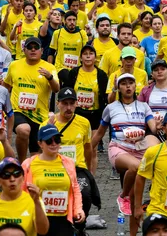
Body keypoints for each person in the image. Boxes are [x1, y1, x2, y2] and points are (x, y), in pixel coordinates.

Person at [91, 73, 159, 221]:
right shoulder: (110, 108)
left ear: (135, 86)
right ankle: (123, 196)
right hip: (118, 148)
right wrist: (87, 150)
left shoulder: (144, 106)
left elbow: (153, 127)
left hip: (139, 148)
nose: (127, 86)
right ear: (118, 88)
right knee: (136, 167)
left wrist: (158, 126)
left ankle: (147, 202)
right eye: (123, 84)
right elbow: (100, 133)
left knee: (155, 160)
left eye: (130, 83)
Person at [41, 87, 100, 235]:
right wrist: (50, 130)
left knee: (85, 192)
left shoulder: (84, 122)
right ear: (58, 104)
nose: (68, 107)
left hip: (77, 169)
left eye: (71, 103)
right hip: (54, 168)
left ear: (76, 104)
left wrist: (89, 171)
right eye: (65, 103)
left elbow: (88, 148)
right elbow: (43, 150)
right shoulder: (47, 124)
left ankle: (80, 226)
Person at [22, 124, 85, 236]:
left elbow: (75, 188)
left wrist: (78, 209)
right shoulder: (28, 164)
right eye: (48, 141)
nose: (54, 144)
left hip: (63, 219)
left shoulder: (68, 162)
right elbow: (21, 192)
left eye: (57, 139)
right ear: (40, 144)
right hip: (39, 218)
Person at [3, 37, 60, 162]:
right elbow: (6, 88)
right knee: (23, 130)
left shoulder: (49, 67)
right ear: (24, 50)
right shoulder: (15, 65)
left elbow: (56, 89)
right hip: (18, 110)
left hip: (39, 115)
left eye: (36, 48)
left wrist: (49, 77)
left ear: (42, 50)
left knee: (35, 157)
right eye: (29, 47)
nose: (33, 50)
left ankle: (30, 170)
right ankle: (22, 163)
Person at [67, 44, 108, 173]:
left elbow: (104, 96)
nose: (88, 56)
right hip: (78, 114)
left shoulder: (101, 75)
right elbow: (67, 91)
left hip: (95, 115)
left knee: (92, 148)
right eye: (85, 54)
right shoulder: (74, 73)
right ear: (80, 57)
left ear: (95, 57)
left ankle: (91, 177)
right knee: (77, 144)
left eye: (91, 53)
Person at [0, 157, 49, 236]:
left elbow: (43, 230)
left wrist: (36, 202)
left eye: (17, 174)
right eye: (6, 175)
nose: (12, 179)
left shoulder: (34, 201)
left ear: (23, 179)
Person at [48, 10, 88, 86]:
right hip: (61, 67)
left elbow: (87, 50)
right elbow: (51, 52)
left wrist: (88, 34)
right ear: (65, 21)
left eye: (74, 20)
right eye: (69, 20)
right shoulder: (57, 33)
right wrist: (50, 68)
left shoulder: (82, 33)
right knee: (68, 78)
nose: (72, 22)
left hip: (77, 67)